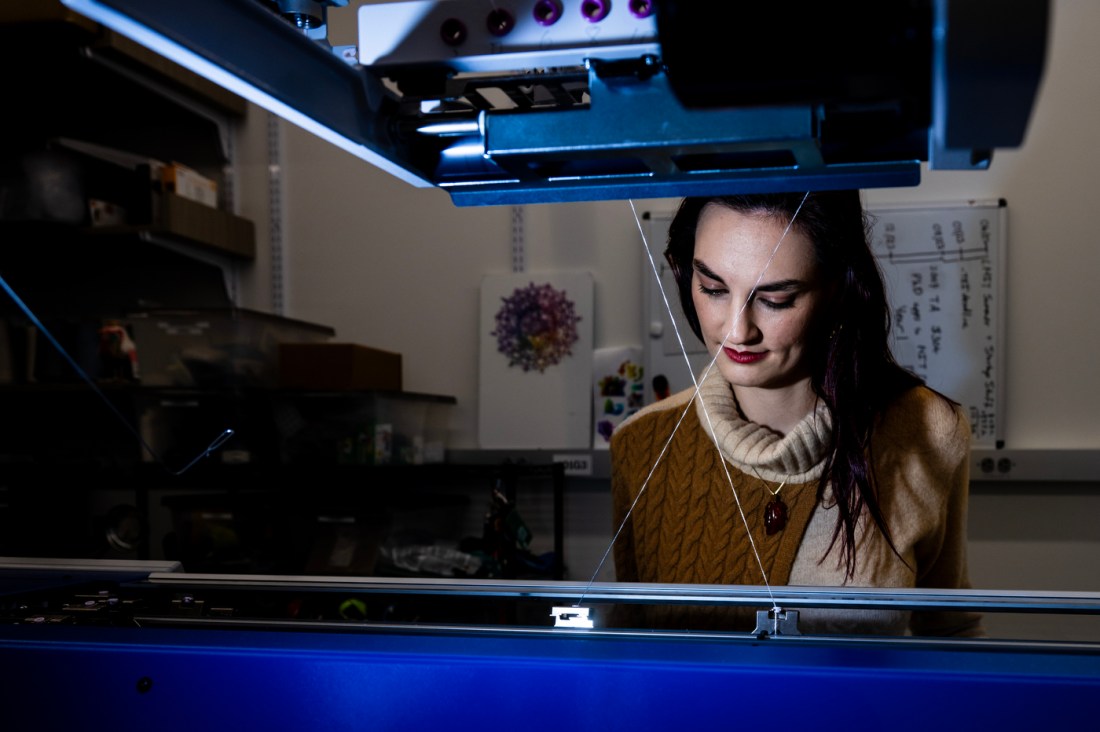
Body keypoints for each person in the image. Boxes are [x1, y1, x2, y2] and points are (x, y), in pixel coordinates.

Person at [609, 190, 982, 637]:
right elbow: (630, 653)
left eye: (776, 299)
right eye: (712, 288)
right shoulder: (641, 445)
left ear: (837, 291)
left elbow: (951, 636)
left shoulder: (927, 430)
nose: (736, 329)